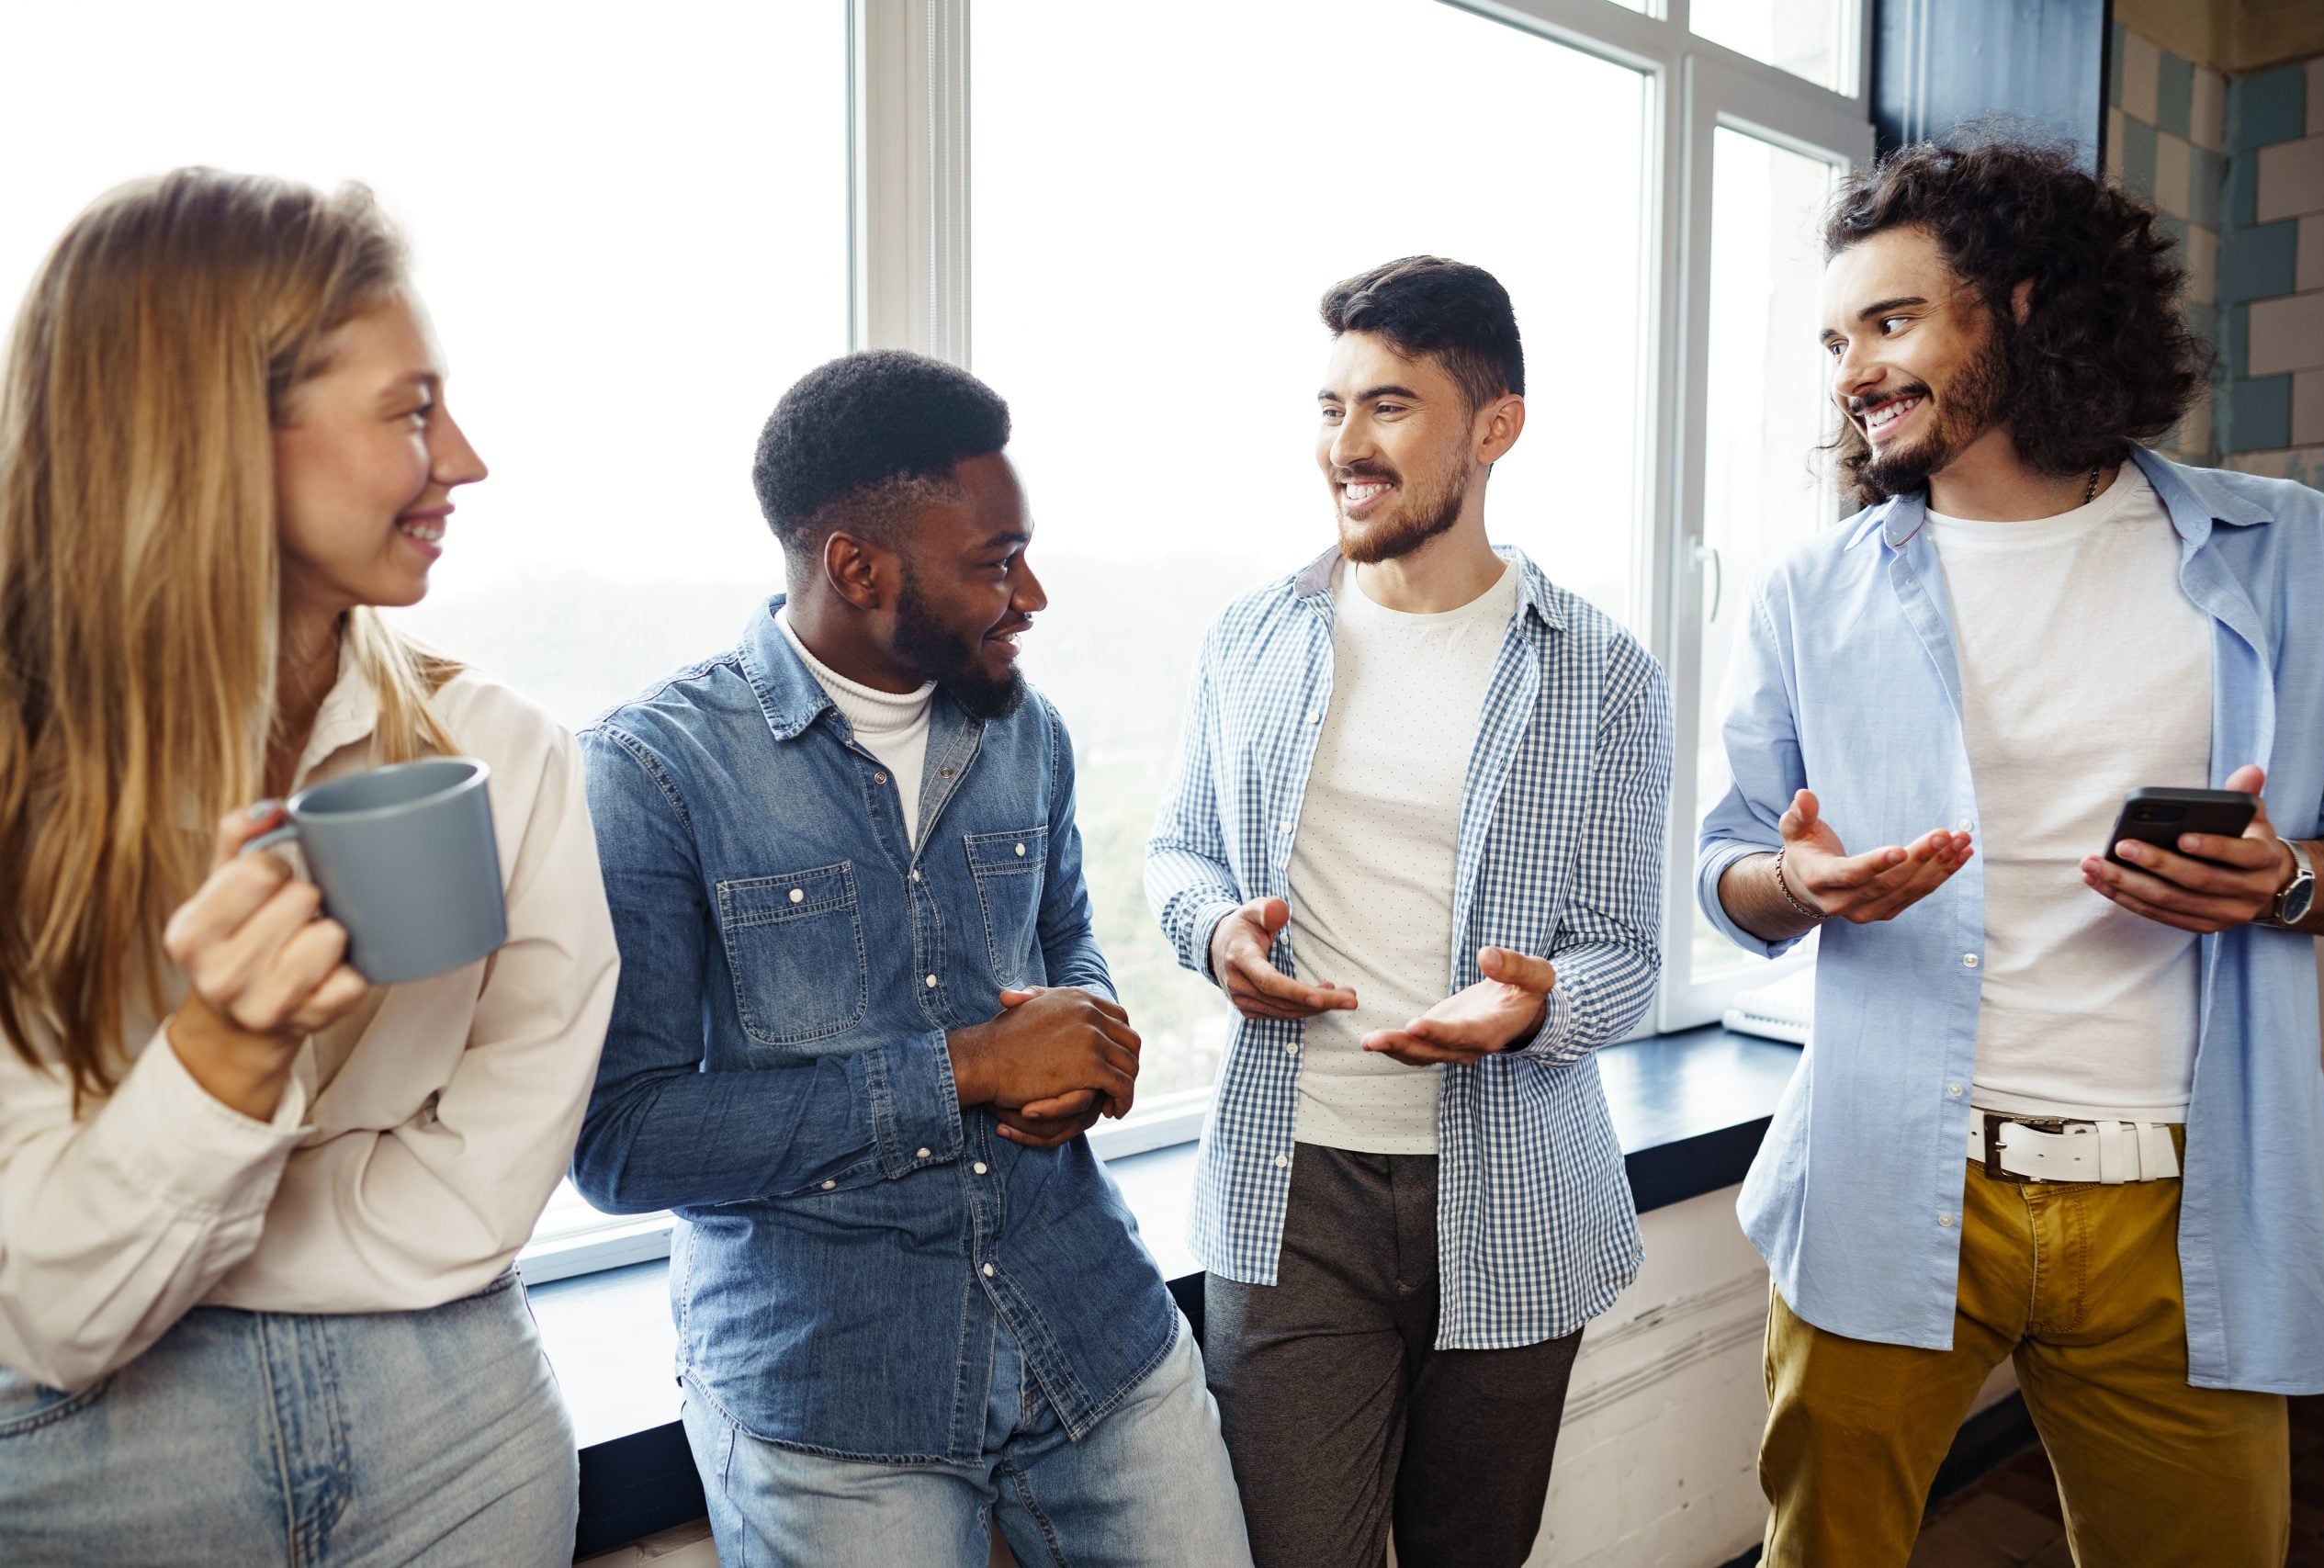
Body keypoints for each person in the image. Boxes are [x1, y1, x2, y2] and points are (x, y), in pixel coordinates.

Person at [1698, 135, 2324, 1567]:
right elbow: (1730, 865)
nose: (1851, 370)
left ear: (2030, 309)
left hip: (2184, 1206)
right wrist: (1798, 887)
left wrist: (2288, 878)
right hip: (1885, 1176)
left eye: (1891, 321)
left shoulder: (2294, 553)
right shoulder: (1810, 594)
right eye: (1834, 338)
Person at [0, 169, 620, 1566]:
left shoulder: (501, 755)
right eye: (410, 410)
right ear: (220, 433)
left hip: (455, 1418)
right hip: (69, 1449)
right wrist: (225, 1050)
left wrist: (175, 1242)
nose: (462, 459)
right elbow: (52, 1323)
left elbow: (491, 1183)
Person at [571, 350, 1251, 1568]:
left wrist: (1085, 1035)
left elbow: (1065, 937)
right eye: (994, 562)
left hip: (1090, 1328)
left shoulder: (1027, 728)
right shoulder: (654, 771)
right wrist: (967, 1070)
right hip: (836, 1387)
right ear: (857, 566)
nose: (1030, 593)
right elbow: (626, 1141)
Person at [1145, 256, 1672, 1568]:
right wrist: (1216, 935)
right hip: (1289, 1189)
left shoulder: (1600, 674)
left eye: (1387, 407)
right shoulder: (1250, 637)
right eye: (1330, 409)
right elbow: (1178, 855)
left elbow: (1629, 955)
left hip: (1513, 1194)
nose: (1345, 448)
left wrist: (1539, 1002)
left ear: (1495, 428)